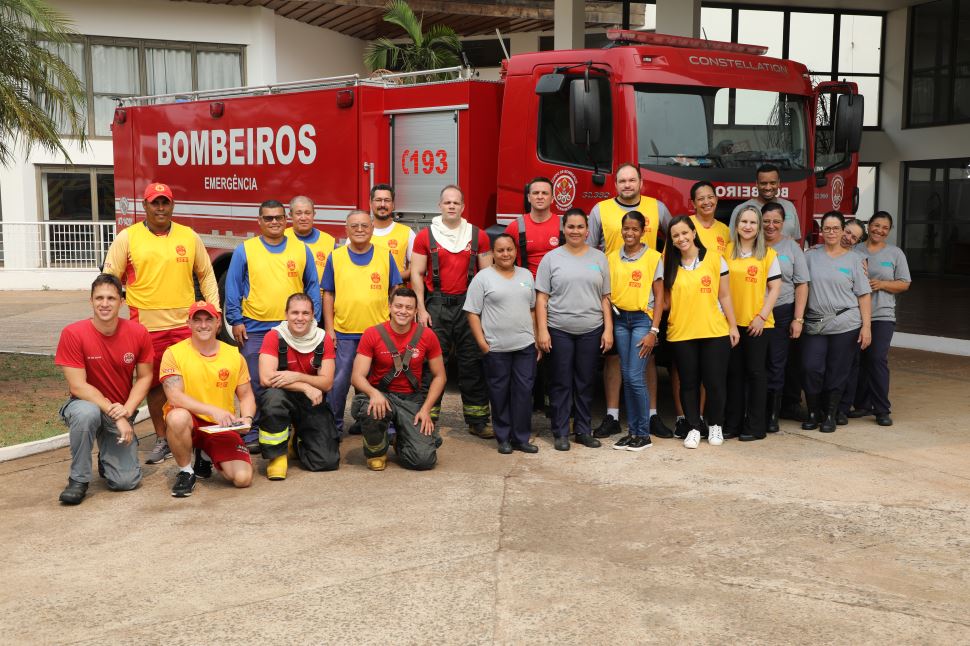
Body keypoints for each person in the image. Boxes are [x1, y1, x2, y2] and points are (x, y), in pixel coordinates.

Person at [102, 182, 219, 466]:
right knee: (154, 386)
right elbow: (110, 278)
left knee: (191, 382)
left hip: (184, 325)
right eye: (155, 203)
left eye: (165, 202)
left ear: (172, 205)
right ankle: (162, 437)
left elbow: (206, 274)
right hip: (145, 327)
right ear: (145, 206)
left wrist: (213, 311)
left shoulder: (188, 236)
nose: (160, 208)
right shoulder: (127, 238)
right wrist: (110, 317)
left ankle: (197, 436)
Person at [586, 163, 674, 440]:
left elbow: (676, 237)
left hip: (643, 299)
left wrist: (667, 279)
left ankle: (651, 416)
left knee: (647, 359)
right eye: (622, 180)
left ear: (641, 182)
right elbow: (589, 249)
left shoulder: (657, 208)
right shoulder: (600, 210)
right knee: (614, 359)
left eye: (631, 180)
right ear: (615, 184)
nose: (627, 184)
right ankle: (612, 415)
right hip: (613, 297)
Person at [225, 199, 321, 450]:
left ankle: (292, 426)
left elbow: (312, 286)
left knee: (293, 378)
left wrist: (314, 319)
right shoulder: (245, 250)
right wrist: (235, 320)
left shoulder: (301, 250)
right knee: (256, 381)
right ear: (259, 221)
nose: (274, 222)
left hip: (293, 330)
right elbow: (232, 287)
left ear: (286, 220)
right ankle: (255, 429)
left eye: (279, 217)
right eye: (268, 218)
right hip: (255, 327)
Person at [54, 274, 153, 505]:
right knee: (86, 414)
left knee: (126, 482)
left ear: (121, 301)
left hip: (119, 410)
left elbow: (145, 377)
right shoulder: (73, 333)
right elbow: (77, 385)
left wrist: (126, 412)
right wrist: (115, 414)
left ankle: (107, 458)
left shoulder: (138, 333)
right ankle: (78, 480)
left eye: (111, 298)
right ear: (91, 301)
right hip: (86, 405)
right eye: (99, 298)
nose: (105, 303)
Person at [411, 185, 493, 436]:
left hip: (469, 307)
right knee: (433, 364)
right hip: (436, 306)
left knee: (472, 363)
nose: (451, 206)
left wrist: (483, 313)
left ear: (463, 207)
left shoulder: (478, 236)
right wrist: (421, 309)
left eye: (456, 203)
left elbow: (488, 277)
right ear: (439, 206)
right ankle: (428, 417)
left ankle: (477, 421)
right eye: (447, 202)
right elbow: (416, 273)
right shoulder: (425, 236)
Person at [160, 302, 256, 498]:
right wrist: (213, 410)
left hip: (219, 426)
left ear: (218, 323)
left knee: (242, 479)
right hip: (190, 420)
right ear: (188, 323)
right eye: (197, 320)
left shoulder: (234, 355)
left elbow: (246, 395)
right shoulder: (173, 353)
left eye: (208, 319)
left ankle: (204, 455)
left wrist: (247, 418)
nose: (203, 325)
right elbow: (174, 396)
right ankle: (186, 472)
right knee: (177, 417)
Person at [536, 208, 613, 451]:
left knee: (585, 382)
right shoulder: (551, 259)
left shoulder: (599, 258)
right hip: (559, 329)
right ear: (563, 229)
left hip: (591, 330)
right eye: (571, 226)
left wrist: (608, 329)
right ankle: (560, 432)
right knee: (560, 383)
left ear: (587, 230)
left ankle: (582, 430)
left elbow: (605, 298)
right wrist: (542, 330)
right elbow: (541, 299)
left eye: (580, 227)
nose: (575, 231)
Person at [322, 210, 402, 434]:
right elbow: (328, 294)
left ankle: (380, 424)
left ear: (372, 229)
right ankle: (334, 428)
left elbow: (395, 291)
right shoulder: (335, 257)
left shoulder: (385, 256)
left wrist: (394, 327)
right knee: (339, 383)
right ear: (346, 229)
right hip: (345, 332)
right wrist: (329, 329)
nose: (359, 230)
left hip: (379, 333)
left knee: (380, 381)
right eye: (354, 226)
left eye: (364, 226)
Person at [663, 216, 740, 449]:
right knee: (688, 383)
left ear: (693, 233)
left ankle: (715, 425)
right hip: (682, 333)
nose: (681, 238)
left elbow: (724, 295)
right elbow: (663, 300)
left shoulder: (716, 259)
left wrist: (733, 325)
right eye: (676, 235)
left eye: (685, 233)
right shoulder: (668, 264)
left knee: (714, 382)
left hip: (714, 331)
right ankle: (694, 427)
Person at [350, 288, 446, 471]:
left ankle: (401, 440)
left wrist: (426, 409)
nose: (403, 311)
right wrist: (373, 393)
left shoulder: (427, 336)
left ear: (416, 311)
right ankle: (376, 452)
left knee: (423, 461)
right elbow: (357, 376)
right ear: (390, 307)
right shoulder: (373, 333)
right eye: (399, 306)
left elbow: (440, 376)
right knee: (372, 413)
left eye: (409, 308)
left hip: (410, 399)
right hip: (381, 396)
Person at [464, 234, 540, 454]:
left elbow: (533, 308)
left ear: (516, 251)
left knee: (524, 393)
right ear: (493, 254)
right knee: (500, 393)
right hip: (496, 348)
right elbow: (472, 313)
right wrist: (483, 344)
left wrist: (535, 338)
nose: (505, 254)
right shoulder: (483, 278)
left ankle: (521, 438)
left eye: (509, 249)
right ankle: (503, 437)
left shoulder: (526, 275)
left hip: (525, 346)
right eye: (500, 250)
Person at [801, 212, 872, 433]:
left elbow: (864, 295)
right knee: (811, 367)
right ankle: (813, 412)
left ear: (843, 230)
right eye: (827, 228)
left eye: (835, 228)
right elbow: (800, 285)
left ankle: (830, 415)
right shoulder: (810, 256)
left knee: (838, 370)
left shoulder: (855, 260)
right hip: (815, 322)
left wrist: (867, 327)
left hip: (846, 322)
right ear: (821, 231)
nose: (831, 232)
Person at [257, 293, 338, 480]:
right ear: (286, 314)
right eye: (294, 313)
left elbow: (327, 383)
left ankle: (297, 440)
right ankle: (276, 456)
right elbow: (266, 378)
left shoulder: (322, 338)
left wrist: (297, 376)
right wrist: (305, 386)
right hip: (284, 395)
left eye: (305, 313)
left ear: (312, 315)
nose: (300, 318)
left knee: (326, 462)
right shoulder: (274, 336)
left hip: (311, 401)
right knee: (272, 398)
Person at [504, 177, 562, 417]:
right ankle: (525, 408)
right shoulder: (515, 227)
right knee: (527, 352)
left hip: (557, 297)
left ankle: (553, 407)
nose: (539, 196)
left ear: (552, 197)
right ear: (528, 197)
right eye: (535, 192)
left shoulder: (563, 225)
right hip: (524, 298)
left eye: (544, 193)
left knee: (555, 354)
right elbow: (504, 261)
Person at [607, 212, 664, 451]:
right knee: (626, 374)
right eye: (626, 228)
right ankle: (632, 432)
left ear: (643, 232)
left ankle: (643, 434)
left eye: (635, 229)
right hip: (620, 320)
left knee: (634, 376)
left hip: (643, 320)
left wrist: (654, 330)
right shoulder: (611, 257)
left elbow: (660, 296)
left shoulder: (653, 257)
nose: (629, 233)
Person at [848, 212, 911, 426]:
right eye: (876, 225)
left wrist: (882, 284)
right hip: (855, 315)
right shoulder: (855, 250)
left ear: (889, 230)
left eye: (885, 227)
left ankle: (882, 408)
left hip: (882, 315)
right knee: (859, 361)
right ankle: (862, 404)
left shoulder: (895, 254)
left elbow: (904, 283)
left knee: (876, 359)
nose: (879, 230)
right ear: (869, 226)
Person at [724, 206, 782, 442]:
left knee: (756, 374)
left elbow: (775, 288)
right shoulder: (725, 252)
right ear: (736, 225)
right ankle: (733, 425)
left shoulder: (768, 254)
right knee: (734, 375)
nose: (748, 226)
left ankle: (756, 426)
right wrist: (729, 324)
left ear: (759, 228)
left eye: (753, 223)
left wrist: (761, 317)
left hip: (758, 324)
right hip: (732, 325)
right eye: (744, 222)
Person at [762, 202, 809, 433]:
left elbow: (801, 284)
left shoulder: (792, 248)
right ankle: (755, 411)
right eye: (767, 221)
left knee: (777, 364)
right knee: (755, 364)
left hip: (782, 312)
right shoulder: (751, 244)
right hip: (754, 314)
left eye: (776, 222)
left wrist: (797, 319)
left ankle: (773, 415)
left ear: (784, 223)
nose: (771, 226)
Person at [284, 195, 336, 315]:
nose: (303, 217)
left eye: (307, 213)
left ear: (314, 214)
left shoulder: (328, 241)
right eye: (298, 213)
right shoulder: (281, 239)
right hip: (290, 306)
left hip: (321, 306)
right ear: (290, 215)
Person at [729, 164, 802, 241]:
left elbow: (796, 240)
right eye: (763, 183)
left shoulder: (789, 207)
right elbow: (732, 242)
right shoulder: (740, 210)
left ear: (779, 183)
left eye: (772, 183)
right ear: (757, 184)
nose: (768, 187)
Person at [369, 184, 416, 282]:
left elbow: (415, 270)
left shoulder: (407, 233)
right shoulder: (360, 233)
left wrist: (388, 279)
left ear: (393, 205)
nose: (382, 204)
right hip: (367, 295)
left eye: (387, 200)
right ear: (370, 203)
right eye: (378, 200)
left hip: (396, 295)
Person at [689, 181, 731, 256]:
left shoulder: (725, 230)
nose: (706, 202)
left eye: (710, 197)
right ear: (693, 204)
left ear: (716, 199)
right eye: (701, 199)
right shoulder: (684, 225)